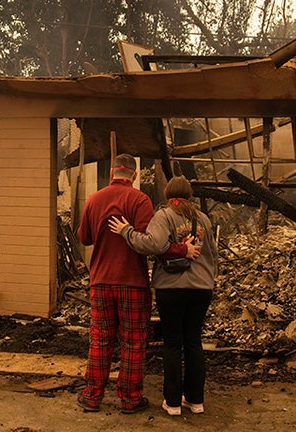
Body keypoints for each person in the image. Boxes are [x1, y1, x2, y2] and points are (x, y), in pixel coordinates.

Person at [109, 175, 216, 417]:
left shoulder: (165, 216)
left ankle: (173, 403)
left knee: (172, 344)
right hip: (202, 289)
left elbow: (153, 244)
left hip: (171, 288)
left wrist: (126, 231)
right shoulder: (204, 219)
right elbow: (213, 254)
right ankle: (196, 401)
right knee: (193, 342)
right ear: (189, 195)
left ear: (168, 195)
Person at [74, 153, 159, 414]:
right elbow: (148, 240)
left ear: (112, 173)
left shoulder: (94, 199)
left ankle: (92, 396)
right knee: (133, 342)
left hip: (100, 281)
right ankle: (131, 399)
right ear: (134, 175)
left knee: (100, 340)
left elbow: (84, 238)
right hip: (132, 281)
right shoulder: (140, 200)